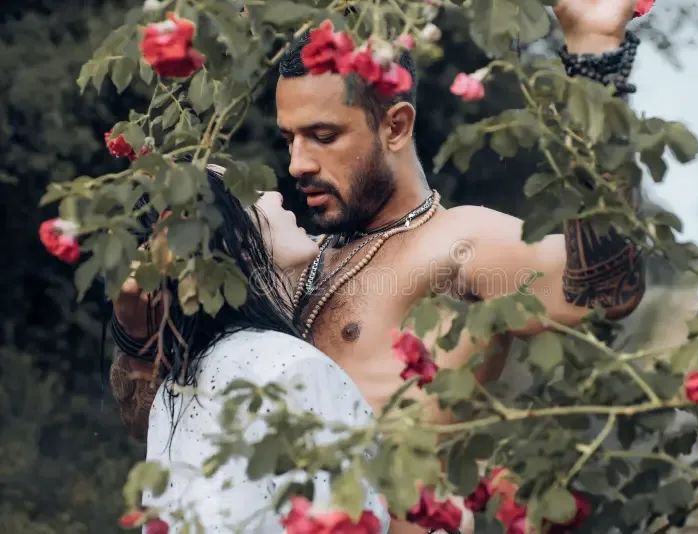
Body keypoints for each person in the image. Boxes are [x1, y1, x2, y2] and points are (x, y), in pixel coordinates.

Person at [111, 1, 645, 532]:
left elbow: (607, 289)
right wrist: (137, 339)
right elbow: (149, 423)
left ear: (395, 126)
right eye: (289, 139)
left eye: (323, 136)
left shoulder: (459, 245)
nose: (297, 163)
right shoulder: (288, 263)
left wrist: (595, 52)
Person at [117, 167, 389, 532]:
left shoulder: (176, 390)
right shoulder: (293, 368)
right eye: (251, 193)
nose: (276, 195)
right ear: (237, 246)